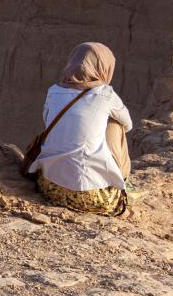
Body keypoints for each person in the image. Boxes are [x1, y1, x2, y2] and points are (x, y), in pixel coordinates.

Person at [28, 42, 133, 216]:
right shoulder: (106, 94)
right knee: (116, 125)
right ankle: (122, 181)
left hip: (49, 188)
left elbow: (47, 120)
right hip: (91, 197)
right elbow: (128, 125)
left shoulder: (53, 91)